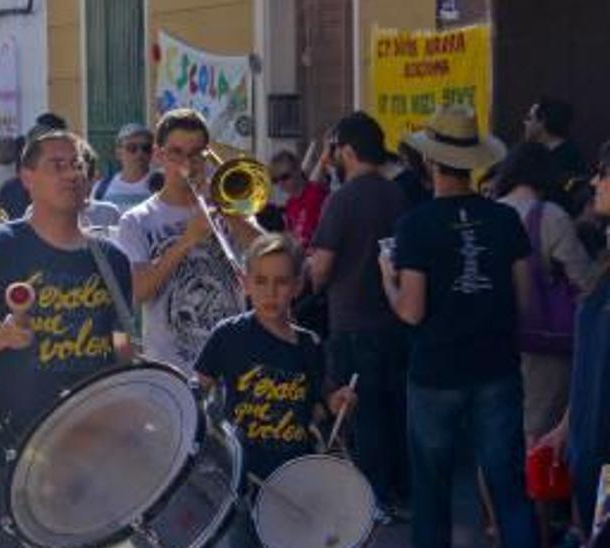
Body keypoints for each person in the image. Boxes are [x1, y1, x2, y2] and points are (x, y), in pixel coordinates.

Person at [0, 129, 133, 547]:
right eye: (57, 165)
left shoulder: (112, 258)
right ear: (26, 177)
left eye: (78, 166)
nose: (71, 176)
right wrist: (3, 334)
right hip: (18, 445)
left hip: (90, 446)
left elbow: (121, 348)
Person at [381, 104, 539, 547]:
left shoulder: (415, 225)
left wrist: (387, 281)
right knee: (508, 486)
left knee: (433, 491)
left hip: (436, 370)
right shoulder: (505, 219)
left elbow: (411, 310)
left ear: (430, 161)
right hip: (497, 366)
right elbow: (524, 299)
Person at [196, 232, 357, 546]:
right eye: (261, 280)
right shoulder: (227, 336)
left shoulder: (309, 343)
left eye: (282, 282)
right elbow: (196, 393)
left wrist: (338, 402)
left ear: (298, 285)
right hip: (242, 480)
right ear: (244, 282)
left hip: (295, 481)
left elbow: (321, 401)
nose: (271, 291)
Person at [308, 111, 413, 517]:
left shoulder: (343, 199)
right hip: (394, 320)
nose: (331, 157)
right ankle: (401, 492)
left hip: (352, 323)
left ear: (347, 151)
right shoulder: (397, 194)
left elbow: (321, 268)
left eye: (334, 149)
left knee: (362, 415)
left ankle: (375, 498)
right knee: (394, 411)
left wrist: (305, 278)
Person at [115, 108, 262, 372]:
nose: (188, 163)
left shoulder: (226, 206)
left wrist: (228, 211)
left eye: (196, 154)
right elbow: (138, 291)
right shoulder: (137, 220)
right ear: (159, 156)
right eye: (177, 153)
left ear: (207, 155)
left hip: (232, 363)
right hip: (170, 367)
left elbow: (267, 254)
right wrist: (186, 241)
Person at [538, 141, 610, 545]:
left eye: (604, 172)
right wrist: (567, 423)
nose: (596, 181)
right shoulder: (602, 260)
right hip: (591, 449)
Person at [93, 123, 157, 213]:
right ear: (118, 153)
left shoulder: (163, 186)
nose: (140, 153)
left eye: (146, 148)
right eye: (132, 148)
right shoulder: (101, 189)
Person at [269, 150, 328, 245]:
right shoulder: (290, 203)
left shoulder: (317, 194)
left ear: (298, 170)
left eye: (285, 177)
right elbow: (292, 236)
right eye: (275, 180)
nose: (280, 184)